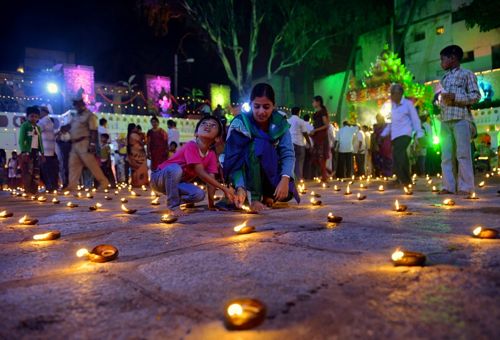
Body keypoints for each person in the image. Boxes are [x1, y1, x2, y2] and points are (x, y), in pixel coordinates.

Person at [223, 83, 298, 212]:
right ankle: (254, 196)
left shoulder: (280, 123)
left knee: (287, 194)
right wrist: (240, 186)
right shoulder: (240, 123)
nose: (261, 112)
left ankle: (268, 194)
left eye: (266, 107)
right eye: (257, 106)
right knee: (258, 145)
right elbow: (233, 160)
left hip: (269, 173)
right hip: (245, 176)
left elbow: (287, 153)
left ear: (273, 106)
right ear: (251, 104)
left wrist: (285, 179)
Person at [151, 116, 234, 216]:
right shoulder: (191, 145)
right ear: (196, 133)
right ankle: (173, 206)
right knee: (175, 169)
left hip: (177, 183)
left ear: (217, 138)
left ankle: (176, 200)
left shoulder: (211, 154)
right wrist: (224, 189)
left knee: (199, 194)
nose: (208, 125)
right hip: (159, 178)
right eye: (204, 123)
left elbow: (210, 181)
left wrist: (211, 204)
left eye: (213, 125)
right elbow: (200, 172)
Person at [439, 45, 481, 195]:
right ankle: (448, 186)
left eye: (443, 59)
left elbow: (476, 96)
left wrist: (455, 98)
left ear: (453, 58)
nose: (441, 63)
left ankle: (466, 187)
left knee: (463, 154)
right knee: (446, 156)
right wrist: (438, 100)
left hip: (461, 118)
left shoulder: (467, 74)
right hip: (444, 119)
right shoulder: (443, 78)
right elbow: (441, 100)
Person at [383, 84, 424, 186]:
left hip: (405, 133)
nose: (391, 96)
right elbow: (392, 122)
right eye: (391, 94)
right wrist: (385, 132)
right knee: (398, 156)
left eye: (393, 94)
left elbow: (415, 119)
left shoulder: (408, 104)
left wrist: (419, 133)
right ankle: (401, 178)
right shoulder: (393, 106)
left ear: (400, 94)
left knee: (399, 153)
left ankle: (405, 179)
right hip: (395, 135)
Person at [67, 98, 110, 190]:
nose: (76, 106)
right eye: (75, 104)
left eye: (77, 104)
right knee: (73, 165)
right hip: (74, 144)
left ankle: (104, 182)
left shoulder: (90, 116)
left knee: (92, 164)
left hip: (84, 143)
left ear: (82, 104)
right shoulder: (75, 116)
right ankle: (72, 185)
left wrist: (93, 144)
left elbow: (93, 131)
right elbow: (69, 126)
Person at [18, 106, 44, 194]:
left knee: (36, 171)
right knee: (27, 171)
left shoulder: (38, 128)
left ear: (38, 117)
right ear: (27, 116)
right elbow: (21, 140)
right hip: (27, 152)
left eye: (36, 116)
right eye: (32, 116)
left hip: (35, 152)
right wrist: (24, 152)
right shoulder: (24, 126)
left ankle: (34, 190)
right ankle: (28, 190)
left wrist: (42, 153)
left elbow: (40, 141)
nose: (34, 118)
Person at [38, 106, 59, 191]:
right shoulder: (49, 121)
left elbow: (35, 132)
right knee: (51, 170)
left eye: (39, 112)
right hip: (50, 150)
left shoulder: (42, 122)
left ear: (44, 112)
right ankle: (52, 187)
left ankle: (49, 187)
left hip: (45, 151)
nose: (38, 114)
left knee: (45, 170)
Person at [310, 96, 330, 182]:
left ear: (318, 102)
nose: (312, 103)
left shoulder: (322, 112)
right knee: (316, 157)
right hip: (317, 136)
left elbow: (326, 125)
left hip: (321, 136)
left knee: (321, 157)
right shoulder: (316, 112)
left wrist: (315, 130)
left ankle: (325, 176)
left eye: (313, 102)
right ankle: (327, 172)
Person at [287, 106, 311, 180]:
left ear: (291, 112)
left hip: (290, 144)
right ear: (299, 112)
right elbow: (305, 133)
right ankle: (299, 179)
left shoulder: (287, 121)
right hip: (299, 144)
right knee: (299, 162)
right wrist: (309, 142)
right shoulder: (301, 121)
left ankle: (292, 180)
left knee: (291, 162)